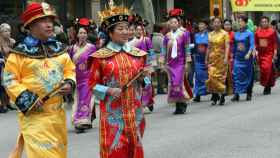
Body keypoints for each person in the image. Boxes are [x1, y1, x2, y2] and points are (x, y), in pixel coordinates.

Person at [4, 2, 75, 158]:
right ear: (31, 25)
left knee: (58, 153)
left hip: (57, 115)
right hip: (35, 116)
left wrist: (69, 82)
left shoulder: (59, 49)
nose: (49, 25)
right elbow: (9, 80)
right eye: (43, 20)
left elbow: (70, 69)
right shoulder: (19, 53)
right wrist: (28, 98)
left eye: (50, 20)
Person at [88, 1, 149, 157]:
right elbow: (92, 85)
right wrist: (108, 90)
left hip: (135, 112)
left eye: (127, 28)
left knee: (135, 149)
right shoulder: (100, 58)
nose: (125, 32)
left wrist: (144, 78)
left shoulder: (138, 55)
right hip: (112, 116)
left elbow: (146, 83)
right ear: (110, 33)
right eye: (120, 29)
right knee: (115, 150)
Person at [162, 8, 193, 114]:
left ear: (178, 23)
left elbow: (187, 48)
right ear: (169, 24)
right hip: (170, 63)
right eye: (171, 22)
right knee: (172, 84)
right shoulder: (167, 36)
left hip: (180, 62)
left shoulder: (184, 34)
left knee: (178, 83)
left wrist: (187, 61)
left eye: (175, 22)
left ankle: (183, 103)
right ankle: (177, 105)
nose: (173, 24)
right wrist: (162, 61)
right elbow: (164, 50)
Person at [69, 18, 97, 133]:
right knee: (78, 99)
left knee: (85, 98)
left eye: (85, 33)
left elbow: (95, 63)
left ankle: (81, 121)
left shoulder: (92, 48)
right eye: (80, 33)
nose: (83, 35)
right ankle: (84, 119)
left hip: (87, 77)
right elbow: (68, 64)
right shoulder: (72, 49)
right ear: (77, 34)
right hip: (76, 78)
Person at [129, 14, 155, 112]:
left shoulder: (146, 40)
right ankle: (142, 103)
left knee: (147, 85)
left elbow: (151, 52)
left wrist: (153, 65)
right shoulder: (131, 42)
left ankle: (146, 103)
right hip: (136, 67)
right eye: (137, 30)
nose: (139, 31)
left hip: (146, 66)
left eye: (140, 30)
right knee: (138, 86)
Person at [206, 17, 232, 106]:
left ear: (221, 24)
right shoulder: (210, 34)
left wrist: (226, 58)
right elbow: (209, 47)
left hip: (221, 59)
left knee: (221, 78)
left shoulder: (225, 34)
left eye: (218, 22)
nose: (216, 24)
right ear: (212, 24)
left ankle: (222, 96)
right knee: (211, 77)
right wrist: (206, 58)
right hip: (212, 59)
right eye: (214, 22)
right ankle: (215, 95)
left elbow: (227, 46)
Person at [231, 16, 255, 101]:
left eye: (241, 21)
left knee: (247, 75)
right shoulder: (236, 34)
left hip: (247, 58)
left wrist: (249, 53)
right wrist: (231, 55)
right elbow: (234, 46)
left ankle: (249, 93)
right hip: (238, 58)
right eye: (239, 21)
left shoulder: (249, 33)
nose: (240, 23)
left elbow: (252, 45)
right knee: (235, 74)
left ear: (245, 23)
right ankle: (236, 94)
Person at [255, 16, 278, 95]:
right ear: (260, 23)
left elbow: (275, 43)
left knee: (266, 68)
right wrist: (256, 51)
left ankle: (266, 86)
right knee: (266, 70)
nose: (264, 23)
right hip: (261, 53)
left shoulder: (272, 31)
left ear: (268, 22)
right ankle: (268, 85)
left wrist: (275, 53)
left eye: (265, 21)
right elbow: (256, 43)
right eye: (262, 21)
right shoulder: (257, 32)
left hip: (269, 53)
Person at [0, 23, 16, 113]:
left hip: (11, 65)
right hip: (2, 66)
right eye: (5, 31)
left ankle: (9, 103)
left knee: (10, 84)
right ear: (1, 32)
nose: (8, 33)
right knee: (3, 86)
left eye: (9, 30)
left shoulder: (12, 41)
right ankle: (3, 104)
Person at [193, 19, 209, 102]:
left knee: (207, 76)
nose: (200, 26)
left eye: (202, 24)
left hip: (207, 58)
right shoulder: (196, 35)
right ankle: (198, 94)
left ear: (206, 26)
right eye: (199, 24)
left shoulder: (209, 35)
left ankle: (211, 92)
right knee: (198, 76)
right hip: (198, 58)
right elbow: (194, 46)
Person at [152, 24, 168, 94]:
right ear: (161, 30)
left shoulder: (152, 37)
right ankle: (160, 88)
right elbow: (163, 49)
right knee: (162, 73)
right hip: (160, 56)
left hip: (154, 56)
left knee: (158, 73)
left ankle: (159, 88)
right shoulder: (161, 38)